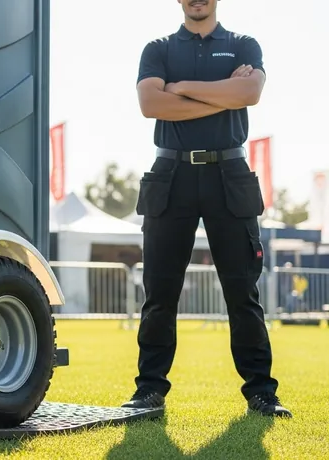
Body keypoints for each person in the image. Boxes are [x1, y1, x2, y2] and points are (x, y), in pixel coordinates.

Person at [123, 0, 292, 417]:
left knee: (242, 293)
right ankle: (149, 392)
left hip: (229, 174)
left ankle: (261, 392)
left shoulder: (243, 45)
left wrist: (179, 87)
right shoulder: (158, 48)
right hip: (170, 174)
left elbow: (249, 92)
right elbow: (151, 105)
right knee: (159, 294)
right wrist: (223, 96)